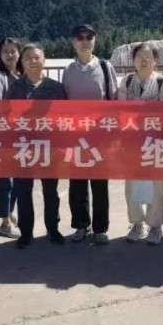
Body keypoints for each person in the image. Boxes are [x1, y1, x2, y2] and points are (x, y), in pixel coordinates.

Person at [62, 23, 119, 245]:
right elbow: (64, 104)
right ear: (73, 42)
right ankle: (81, 225)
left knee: (99, 184)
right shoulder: (68, 70)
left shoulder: (105, 67)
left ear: (94, 41)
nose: (85, 41)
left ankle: (100, 229)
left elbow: (113, 101)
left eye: (89, 37)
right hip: (75, 136)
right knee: (77, 184)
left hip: (100, 136)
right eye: (80, 37)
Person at [7, 43, 67, 248]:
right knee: (23, 191)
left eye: (36, 57)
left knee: (50, 191)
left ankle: (53, 228)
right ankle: (26, 232)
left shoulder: (56, 88)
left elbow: (65, 118)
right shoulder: (15, 88)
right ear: (22, 62)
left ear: (44, 60)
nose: (33, 61)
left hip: (49, 147)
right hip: (22, 147)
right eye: (28, 58)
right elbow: (6, 117)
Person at [118, 43, 163, 245]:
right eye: (139, 56)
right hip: (131, 142)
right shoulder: (126, 81)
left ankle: (155, 226)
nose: (144, 61)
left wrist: (139, 113)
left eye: (148, 57)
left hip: (155, 141)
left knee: (157, 185)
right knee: (131, 185)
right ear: (133, 60)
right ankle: (137, 224)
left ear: (155, 61)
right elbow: (121, 111)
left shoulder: (162, 82)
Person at [0, 37, 22, 239]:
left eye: (13, 50)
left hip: (22, 135)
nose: (10, 55)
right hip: (5, 135)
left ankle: (10, 210)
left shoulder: (22, 75)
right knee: (5, 180)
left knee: (17, 179)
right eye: (5, 51)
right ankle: (4, 222)